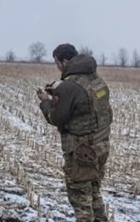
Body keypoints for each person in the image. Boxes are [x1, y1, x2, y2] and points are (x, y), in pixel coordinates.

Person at [37, 43, 112, 221]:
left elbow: (55, 118)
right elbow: (85, 105)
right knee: (94, 194)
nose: (57, 67)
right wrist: (60, 94)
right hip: (101, 146)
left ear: (64, 61)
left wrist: (45, 101)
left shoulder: (69, 86)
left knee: (80, 200)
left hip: (81, 152)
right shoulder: (95, 80)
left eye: (57, 63)